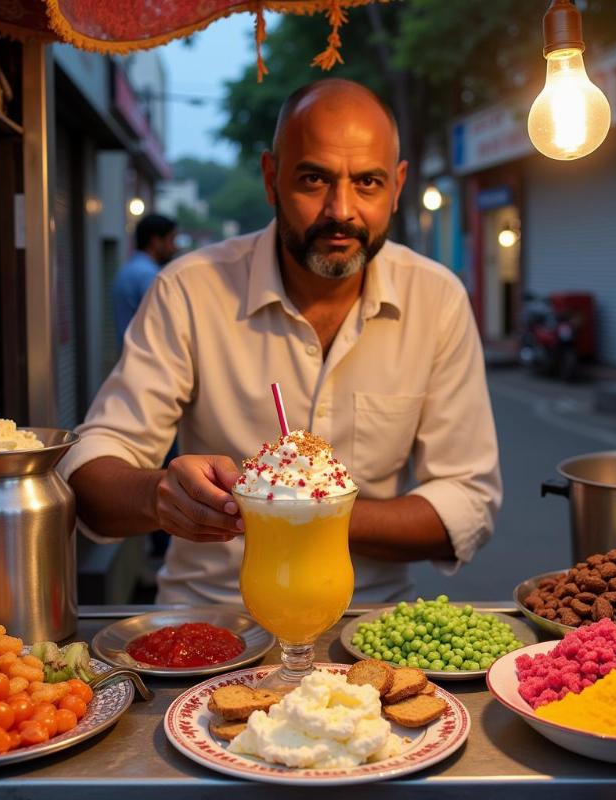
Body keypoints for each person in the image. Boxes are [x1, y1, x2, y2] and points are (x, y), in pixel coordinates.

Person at [61, 78, 502, 605]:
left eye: (367, 183)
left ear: (397, 186)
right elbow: (90, 471)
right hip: (213, 617)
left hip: (365, 625)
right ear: (271, 179)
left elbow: (466, 501)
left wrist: (303, 505)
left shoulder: (437, 299)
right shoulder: (191, 288)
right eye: (314, 179)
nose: (341, 210)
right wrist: (158, 495)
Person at [112, 213, 177, 344]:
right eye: (171, 240)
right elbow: (163, 323)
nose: (174, 247)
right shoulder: (148, 275)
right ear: (156, 241)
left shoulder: (130, 269)